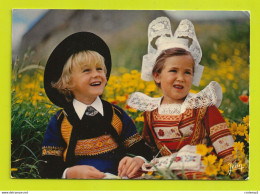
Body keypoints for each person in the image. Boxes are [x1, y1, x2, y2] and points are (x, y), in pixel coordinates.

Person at [127, 17, 234, 179]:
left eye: (187, 72)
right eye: (173, 71)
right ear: (157, 75)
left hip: (199, 167)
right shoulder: (151, 112)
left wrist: (236, 171)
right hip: (164, 169)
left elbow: (224, 142)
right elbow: (149, 149)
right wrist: (138, 160)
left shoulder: (203, 105)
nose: (181, 78)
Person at [41, 32, 153, 179]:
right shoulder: (60, 122)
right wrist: (69, 173)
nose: (96, 74)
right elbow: (48, 165)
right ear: (68, 82)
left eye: (99, 69)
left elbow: (140, 149)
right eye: (86, 70)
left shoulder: (116, 115)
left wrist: (138, 160)